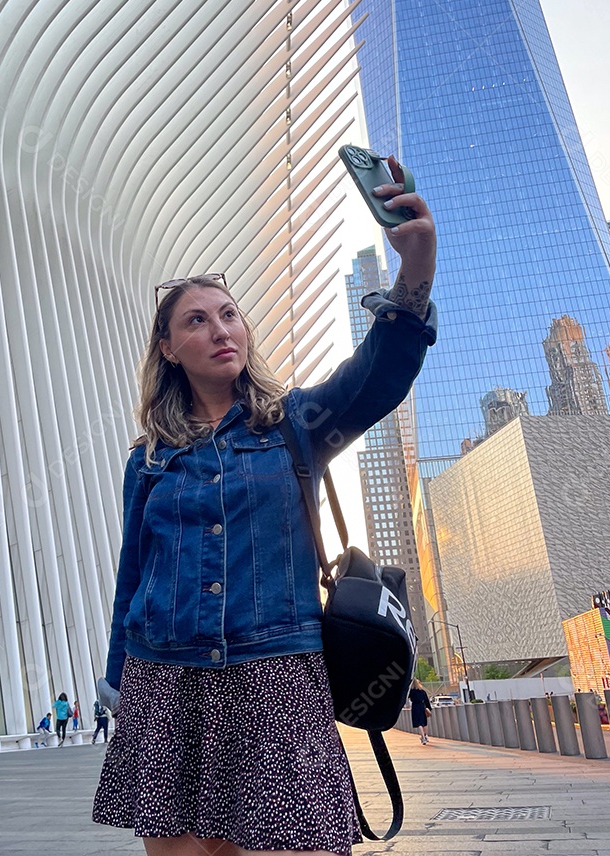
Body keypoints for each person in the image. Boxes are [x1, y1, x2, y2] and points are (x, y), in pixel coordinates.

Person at [91, 160, 437, 856]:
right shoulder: (150, 458)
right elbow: (134, 575)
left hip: (276, 674)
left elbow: (380, 374)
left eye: (229, 315)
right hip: (165, 682)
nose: (221, 329)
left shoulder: (297, 423)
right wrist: (118, 684)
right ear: (168, 348)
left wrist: (416, 267)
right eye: (196, 320)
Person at [409, 679, 432, 744]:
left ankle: (423, 737)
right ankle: (426, 736)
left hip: (415, 707)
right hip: (422, 706)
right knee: (424, 722)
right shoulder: (422, 691)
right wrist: (429, 708)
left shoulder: (412, 692)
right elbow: (426, 700)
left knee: (419, 723)